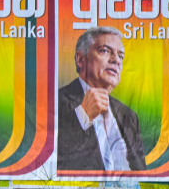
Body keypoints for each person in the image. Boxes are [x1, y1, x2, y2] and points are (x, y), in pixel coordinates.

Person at [58, 26, 146, 171]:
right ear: (81, 59)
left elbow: (142, 174)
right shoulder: (54, 102)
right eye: (105, 51)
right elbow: (47, 165)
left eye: (121, 56)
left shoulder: (129, 116)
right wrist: (82, 116)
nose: (116, 60)